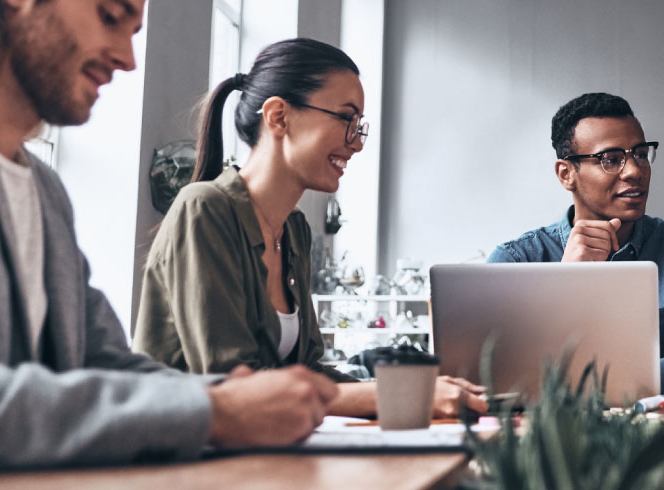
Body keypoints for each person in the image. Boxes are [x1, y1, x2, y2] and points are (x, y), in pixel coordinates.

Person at [0, 0, 339, 468]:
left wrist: (235, 397)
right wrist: (213, 410)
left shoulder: (43, 187)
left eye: (134, 31)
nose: (127, 58)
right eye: (110, 16)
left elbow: (107, 365)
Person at [131, 39, 486, 418]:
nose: (357, 144)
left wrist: (418, 391)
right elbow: (234, 385)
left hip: (263, 456)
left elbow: (308, 372)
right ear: (278, 116)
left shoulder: (294, 230)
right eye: (345, 119)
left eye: (359, 126)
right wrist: (401, 397)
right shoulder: (204, 208)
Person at [487, 92, 664, 371]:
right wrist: (561, 287)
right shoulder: (515, 263)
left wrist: (575, 378)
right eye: (611, 159)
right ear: (566, 174)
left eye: (640, 154)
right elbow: (497, 376)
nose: (634, 171)